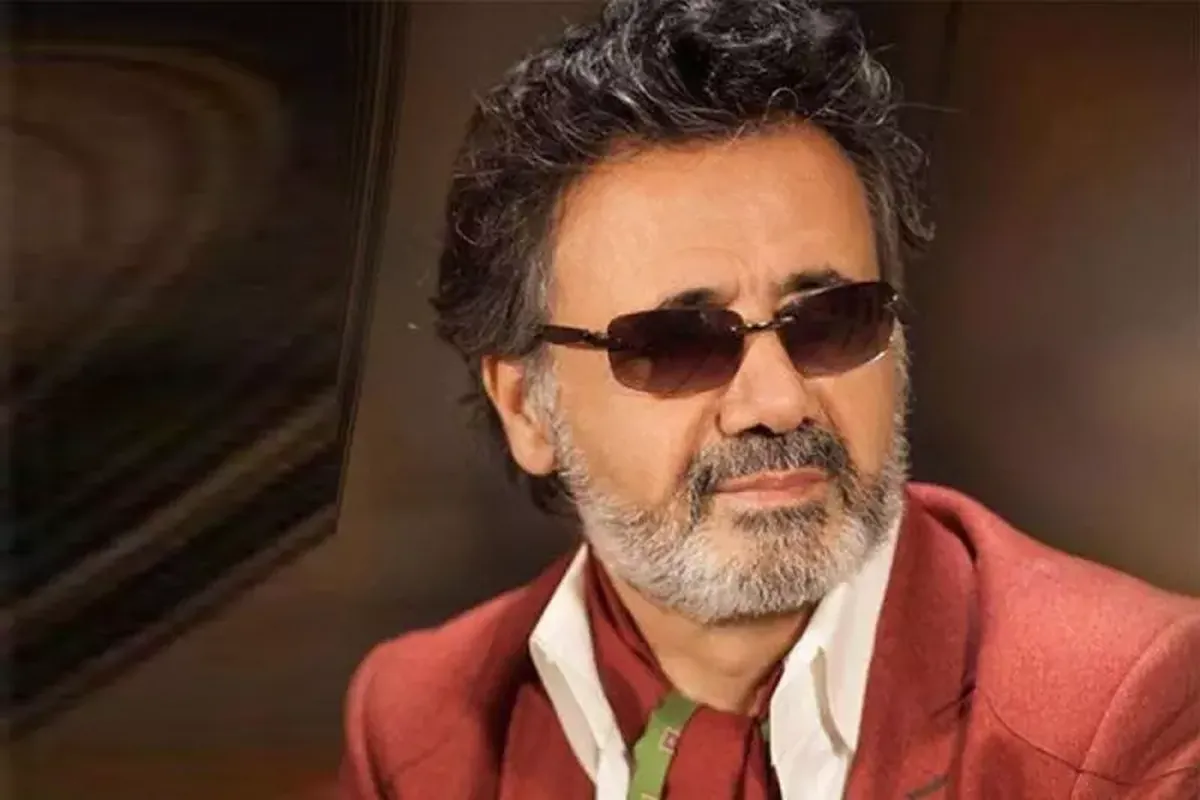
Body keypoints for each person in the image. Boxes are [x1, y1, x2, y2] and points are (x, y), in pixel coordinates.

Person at [338, 1, 1200, 798]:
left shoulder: (1127, 718)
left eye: (831, 320)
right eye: (678, 343)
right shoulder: (418, 724)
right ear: (526, 406)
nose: (778, 402)